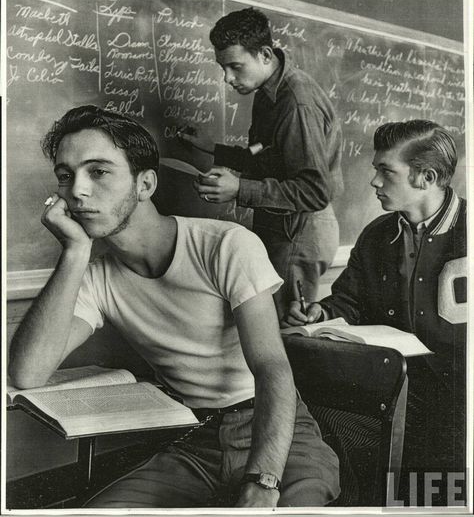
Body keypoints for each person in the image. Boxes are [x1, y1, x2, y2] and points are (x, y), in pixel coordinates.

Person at [8, 105, 339, 509]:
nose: (76, 191)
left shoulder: (226, 245)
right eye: (65, 175)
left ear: (145, 184)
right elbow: (28, 373)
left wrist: (264, 479)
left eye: (98, 171)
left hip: (275, 431)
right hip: (195, 438)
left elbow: (272, 367)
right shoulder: (96, 275)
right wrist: (75, 252)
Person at [286, 120, 467, 506]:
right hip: (391, 386)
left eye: (386, 171)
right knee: (315, 414)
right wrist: (320, 314)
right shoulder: (377, 235)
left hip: (456, 402)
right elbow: (348, 302)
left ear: (427, 177)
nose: (374, 182)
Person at [179, 7, 344, 318]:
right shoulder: (268, 93)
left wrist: (239, 189)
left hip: (300, 233)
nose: (227, 78)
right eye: (222, 68)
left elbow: (315, 191)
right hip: (283, 229)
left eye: (235, 67)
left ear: (265, 55)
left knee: (287, 333)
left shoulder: (296, 103)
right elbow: (262, 154)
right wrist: (212, 148)